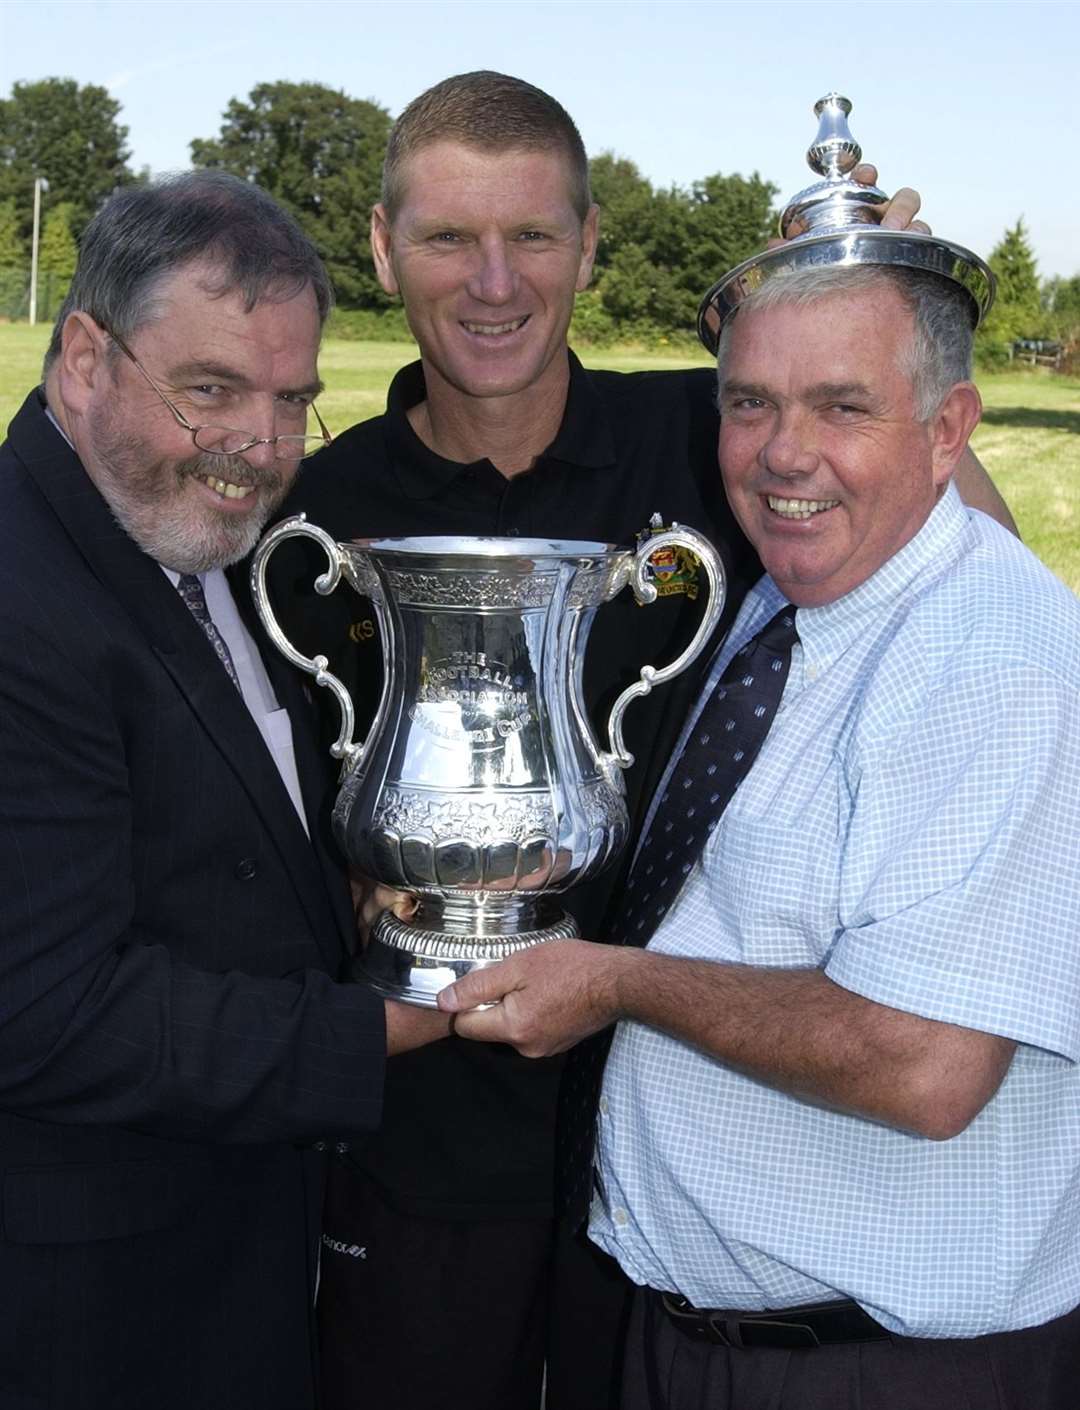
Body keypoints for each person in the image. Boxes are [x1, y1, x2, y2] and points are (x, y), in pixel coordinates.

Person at [268, 71, 1020, 1410]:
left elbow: (969, 562)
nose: (494, 282)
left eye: (535, 237)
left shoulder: (716, 433)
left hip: (684, 1131)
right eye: (448, 238)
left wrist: (878, 292)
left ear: (592, 245)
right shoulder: (321, 510)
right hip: (430, 1137)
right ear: (382, 249)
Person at [439, 259, 1080, 1410]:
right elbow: (730, 879)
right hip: (707, 1341)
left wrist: (621, 984)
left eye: (843, 405)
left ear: (949, 430)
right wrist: (561, 872)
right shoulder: (797, 596)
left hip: (880, 1376)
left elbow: (928, 1064)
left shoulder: (991, 662)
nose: (785, 453)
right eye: (749, 403)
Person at [0, 170, 448, 1410]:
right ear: (85, 360)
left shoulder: (180, 540)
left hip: (222, 1252)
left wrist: (342, 891)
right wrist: (378, 1031)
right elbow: (44, 1007)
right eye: (210, 391)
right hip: (96, 1313)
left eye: (292, 399)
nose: (261, 447)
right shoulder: (24, 598)